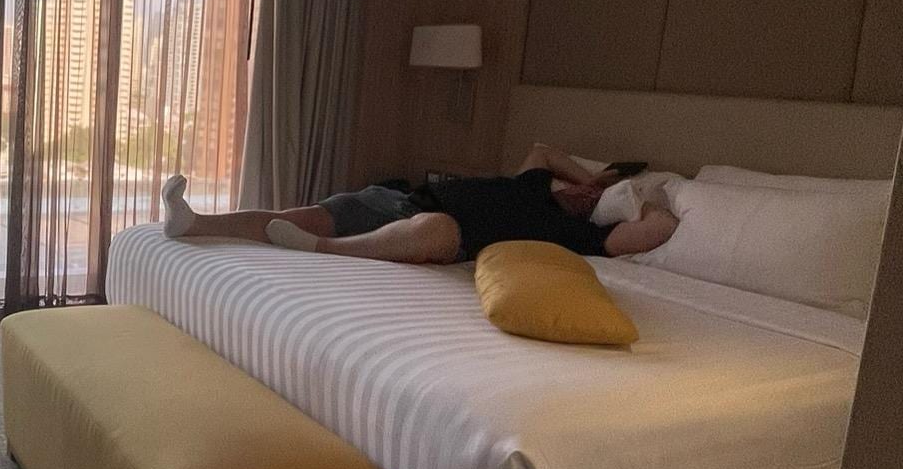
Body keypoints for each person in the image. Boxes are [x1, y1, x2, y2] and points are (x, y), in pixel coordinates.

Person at [159, 145, 678, 265]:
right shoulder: (535, 183)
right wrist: (596, 179)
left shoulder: (580, 235)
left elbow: (658, 228)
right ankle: (195, 222)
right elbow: (543, 150)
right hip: (396, 201)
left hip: (444, 234)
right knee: (291, 216)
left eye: (597, 199)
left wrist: (638, 199)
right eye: (587, 188)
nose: (585, 195)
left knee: (439, 228)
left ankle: (323, 249)